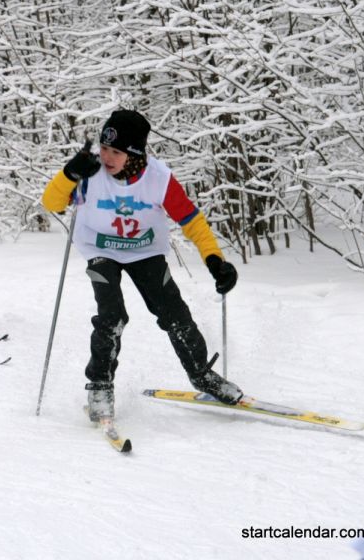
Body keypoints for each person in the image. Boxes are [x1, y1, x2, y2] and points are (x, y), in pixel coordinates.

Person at [41, 109, 243, 422]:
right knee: (112, 314)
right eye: (104, 148)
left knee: (173, 312)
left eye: (116, 152)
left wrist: (215, 259)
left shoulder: (159, 178)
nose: (107, 157)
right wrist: (69, 174)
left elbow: (191, 220)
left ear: (135, 155)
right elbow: (51, 204)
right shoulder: (90, 170)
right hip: (99, 249)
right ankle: (99, 386)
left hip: (144, 250)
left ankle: (202, 375)